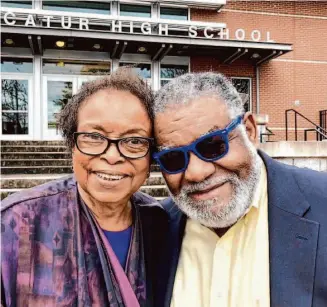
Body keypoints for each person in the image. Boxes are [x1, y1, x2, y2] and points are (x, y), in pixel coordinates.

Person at [152, 72, 327, 307]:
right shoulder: (153, 228)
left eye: (213, 145)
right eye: (173, 158)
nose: (196, 173)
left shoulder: (321, 204)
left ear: (250, 131)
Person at [1, 69, 167, 307]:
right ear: (72, 146)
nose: (112, 156)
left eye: (134, 141)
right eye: (94, 137)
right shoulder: (15, 224)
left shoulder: (162, 225)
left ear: (151, 156)